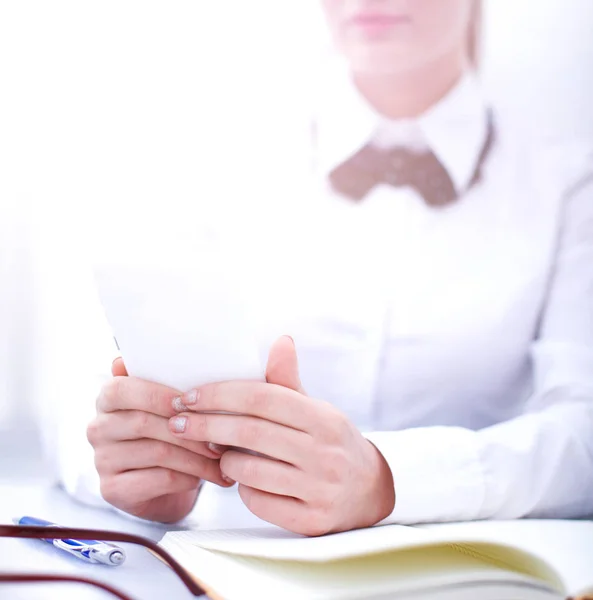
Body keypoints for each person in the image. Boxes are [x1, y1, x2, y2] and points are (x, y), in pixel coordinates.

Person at [80, 0, 593, 534]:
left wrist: (389, 479)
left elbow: (585, 434)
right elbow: (75, 391)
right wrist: (138, 477)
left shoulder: (572, 186)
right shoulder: (215, 151)